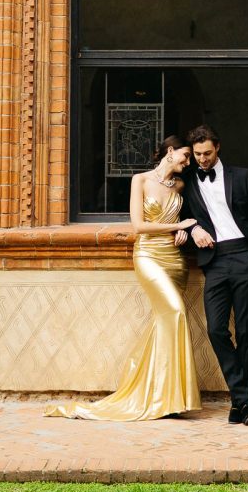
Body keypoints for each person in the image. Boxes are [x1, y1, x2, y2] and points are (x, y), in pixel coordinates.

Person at [46, 136, 201, 421]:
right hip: (149, 257)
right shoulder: (140, 180)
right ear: (170, 151)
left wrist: (185, 231)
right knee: (176, 313)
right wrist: (178, 224)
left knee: (164, 323)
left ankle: (166, 398)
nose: (188, 162)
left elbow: (194, 219)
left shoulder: (181, 185)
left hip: (176, 260)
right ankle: (159, 396)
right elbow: (139, 225)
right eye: (186, 155)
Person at [181, 124, 248, 425]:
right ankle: (244, 399)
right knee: (216, 329)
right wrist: (193, 229)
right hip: (215, 261)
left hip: (245, 257)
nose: (202, 159)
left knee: (246, 332)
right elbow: (178, 215)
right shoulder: (187, 180)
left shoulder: (241, 176)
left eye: (207, 153)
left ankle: (238, 402)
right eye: (197, 155)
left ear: (217, 148)